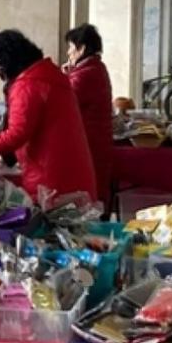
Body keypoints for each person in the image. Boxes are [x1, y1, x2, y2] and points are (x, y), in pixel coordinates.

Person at [0, 29, 96, 202]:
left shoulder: (28, 84)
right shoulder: (48, 74)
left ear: (9, 61)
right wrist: (7, 159)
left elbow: (18, 133)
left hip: (52, 178)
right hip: (70, 170)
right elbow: (34, 124)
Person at [64, 23, 114, 207]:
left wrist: (64, 78)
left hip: (88, 142)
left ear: (81, 48)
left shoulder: (85, 75)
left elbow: (64, 100)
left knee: (87, 196)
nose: (68, 53)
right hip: (95, 140)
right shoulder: (95, 68)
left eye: (70, 47)